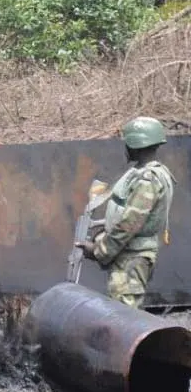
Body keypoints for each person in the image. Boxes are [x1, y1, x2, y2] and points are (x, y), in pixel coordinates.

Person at [74, 116, 174, 309]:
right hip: (129, 255)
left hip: (132, 258)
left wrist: (98, 250)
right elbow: (131, 217)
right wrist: (106, 226)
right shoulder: (144, 173)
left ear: (135, 144)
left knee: (124, 319)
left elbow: (130, 224)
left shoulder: (147, 179)